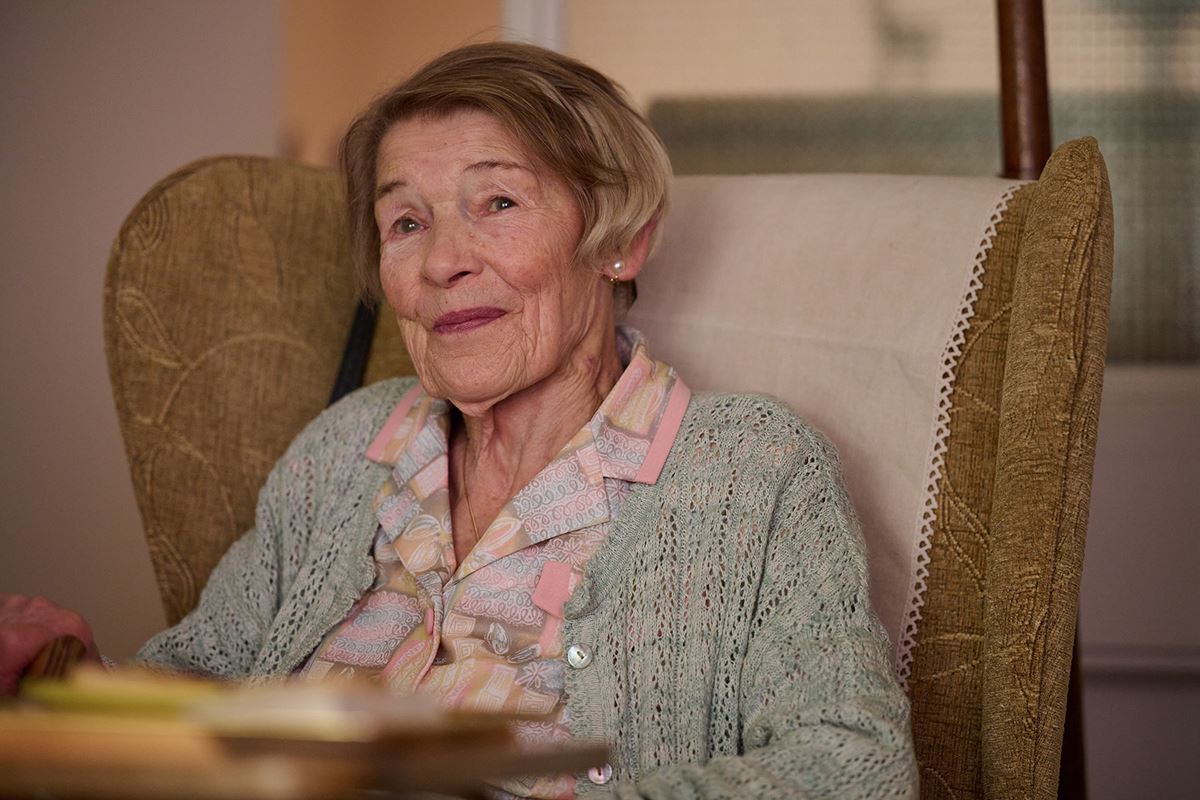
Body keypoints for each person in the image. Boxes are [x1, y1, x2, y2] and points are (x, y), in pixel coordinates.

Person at [1, 42, 917, 798]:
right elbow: (209, 673)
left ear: (619, 241)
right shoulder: (347, 448)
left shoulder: (750, 470)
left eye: (499, 203)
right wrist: (80, 684)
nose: (443, 261)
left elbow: (855, 770)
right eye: (406, 223)